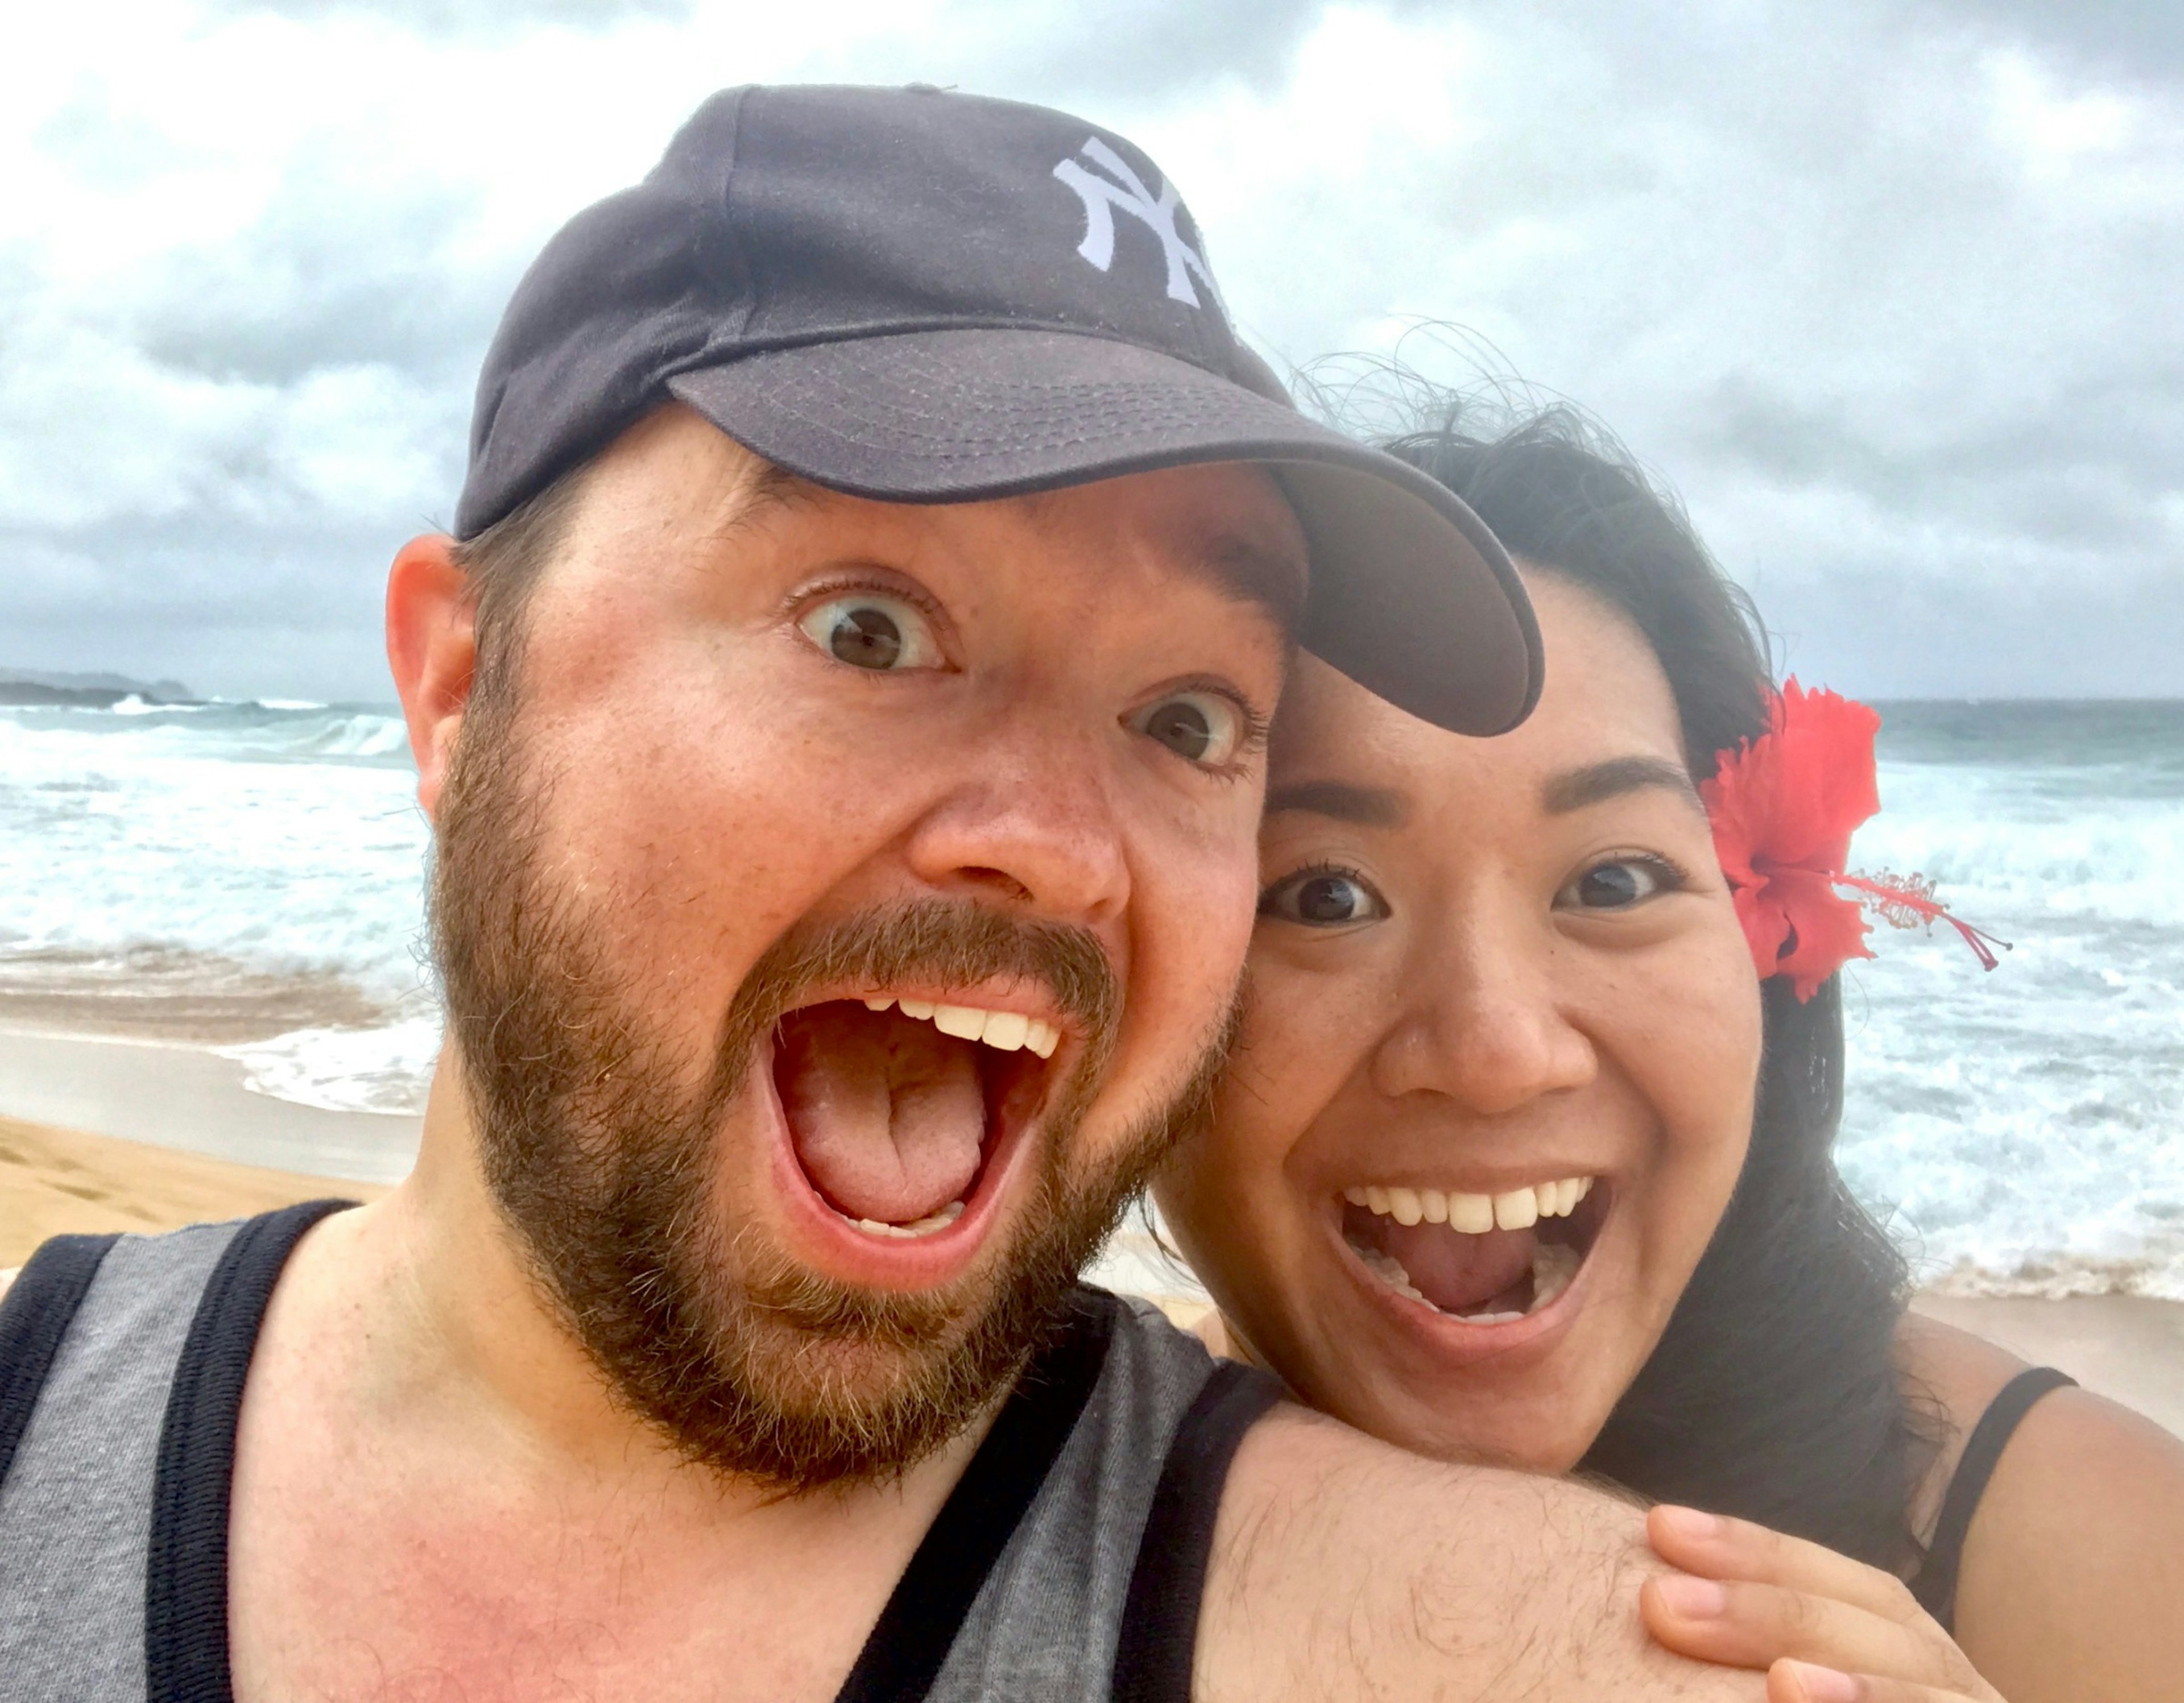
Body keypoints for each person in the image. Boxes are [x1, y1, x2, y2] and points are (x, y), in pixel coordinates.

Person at [0, 87, 1777, 1702]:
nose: (1066, 850)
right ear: (463, 684)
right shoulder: (38, 1413)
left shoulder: (1459, 1633)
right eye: (870, 628)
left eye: (1188, 717)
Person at [1155, 403, 2184, 1703]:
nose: (1497, 1050)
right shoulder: (1001, 1515)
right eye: (1323, 898)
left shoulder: (2090, 1546)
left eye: (1619, 877)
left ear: (1760, 940)